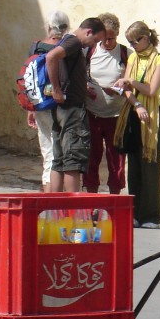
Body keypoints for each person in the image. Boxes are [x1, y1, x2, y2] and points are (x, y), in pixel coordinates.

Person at [114, 21, 160, 228]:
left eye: (136, 40)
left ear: (146, 37)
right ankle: (134, 213)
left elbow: (152, 90)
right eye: (130, 42)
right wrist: (136, 104)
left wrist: (131, 83)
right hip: (134, 112)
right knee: (134, 163)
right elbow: (126, 89)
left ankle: (151, 215)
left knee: (150, 164)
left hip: (152, 114)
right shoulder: (133, 58)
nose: (133, 45)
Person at [44, 16, 105, 192]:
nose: (93, 45)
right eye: (95, 40)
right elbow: (51, 57)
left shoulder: (67, 41)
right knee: (73, 159)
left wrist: (83, 89)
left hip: (62, 108)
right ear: (88, 32)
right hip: (71, 109)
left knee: (59, 159)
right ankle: (73, 210)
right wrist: (56, 89)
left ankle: (54, 208)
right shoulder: (74, 42)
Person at [83, 12, 128, 195]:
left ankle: (114, 199)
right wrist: (86, 88)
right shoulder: (90, 52)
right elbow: (81, 75)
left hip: (116, 115)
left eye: (112, 38)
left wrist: (121, 85)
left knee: (116, 159)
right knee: (91, 158)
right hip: (92, 114)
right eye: (105, 39)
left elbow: (130, 79)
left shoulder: (125, 53)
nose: (108, 43)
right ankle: (91, 198)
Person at [25, 10, 69, 192]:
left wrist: (30, 108)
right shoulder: (68, 46)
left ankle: (47, 200)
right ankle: (58, 198)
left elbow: (30, 80)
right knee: (63, 155)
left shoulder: (36, 46)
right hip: (63, 104)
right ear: (66, 27)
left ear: (49, 26)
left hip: (41, 104)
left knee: (48, 153)